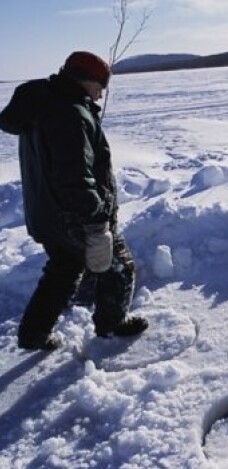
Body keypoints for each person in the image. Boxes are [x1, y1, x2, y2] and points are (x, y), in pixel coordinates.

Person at [0, 51, 148, 351]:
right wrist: (96, 218)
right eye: (100, 85)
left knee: (64, 269)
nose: (101, 93)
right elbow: (75, 175)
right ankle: (112, 324)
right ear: (86, 79)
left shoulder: (44, 102)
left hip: (45, 212)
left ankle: (33, 334)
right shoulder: (70, 112)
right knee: (120, 266)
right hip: (73, 215)